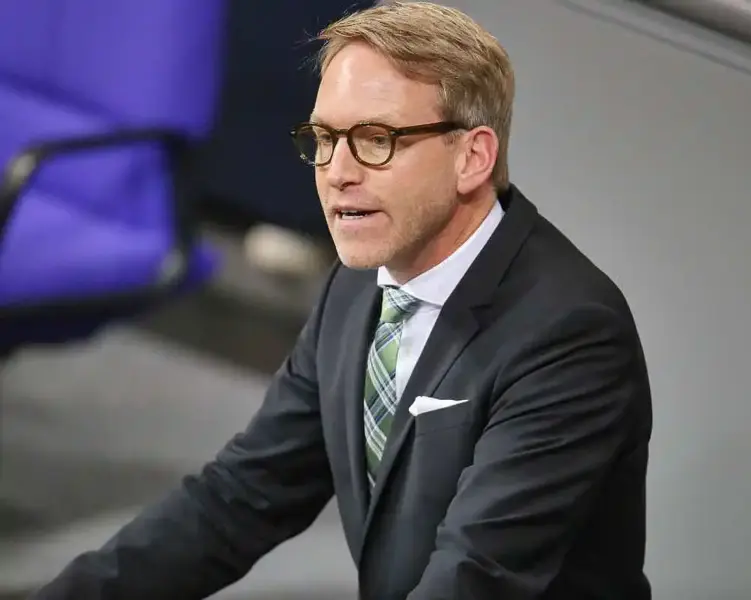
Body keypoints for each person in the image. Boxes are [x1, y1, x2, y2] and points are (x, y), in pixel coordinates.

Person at [33, 2, 653, 599]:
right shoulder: (359, 282)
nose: (336, 171)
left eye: (376, 140)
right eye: (324, 139)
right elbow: (241, 496)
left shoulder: (570, 336)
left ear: (473, 157)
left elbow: (475, 576)